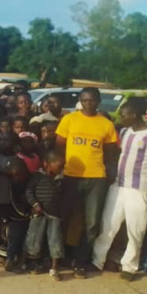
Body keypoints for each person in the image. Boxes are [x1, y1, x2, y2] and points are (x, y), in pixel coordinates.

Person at [92, 97, 147, 280]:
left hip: (138, 190)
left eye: (124, 116)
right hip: (118, 187)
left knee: (135, 230)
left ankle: (129, 267)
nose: (120, 119)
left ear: (135, 114)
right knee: (108, 225)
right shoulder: (125, 132)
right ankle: (97, 260)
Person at [55, 87, 118, 279]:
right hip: (71, 176)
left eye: (92, 100)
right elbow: (59, 146)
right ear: (80, 101)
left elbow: (110, 153)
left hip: (96, 178)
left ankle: (80, 261)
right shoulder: (69, 120)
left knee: (92, 222)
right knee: (66, 218)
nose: (88, 104)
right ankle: (60, 256)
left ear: (98, 101)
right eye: (84, 100)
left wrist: (107, 175)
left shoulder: (106, 124)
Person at [25, 151, 65, 281]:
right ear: (46, 164)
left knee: (55, 240)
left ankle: (54, 268)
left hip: (55, 214)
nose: (61, 169)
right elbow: (29, 191)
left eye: (62, 166)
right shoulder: (38, 176)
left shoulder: (61, 179)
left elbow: (63, 197)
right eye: (58, 166)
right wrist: (35, 204)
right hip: (39, 212)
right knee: (34, 238)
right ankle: (33, 263)